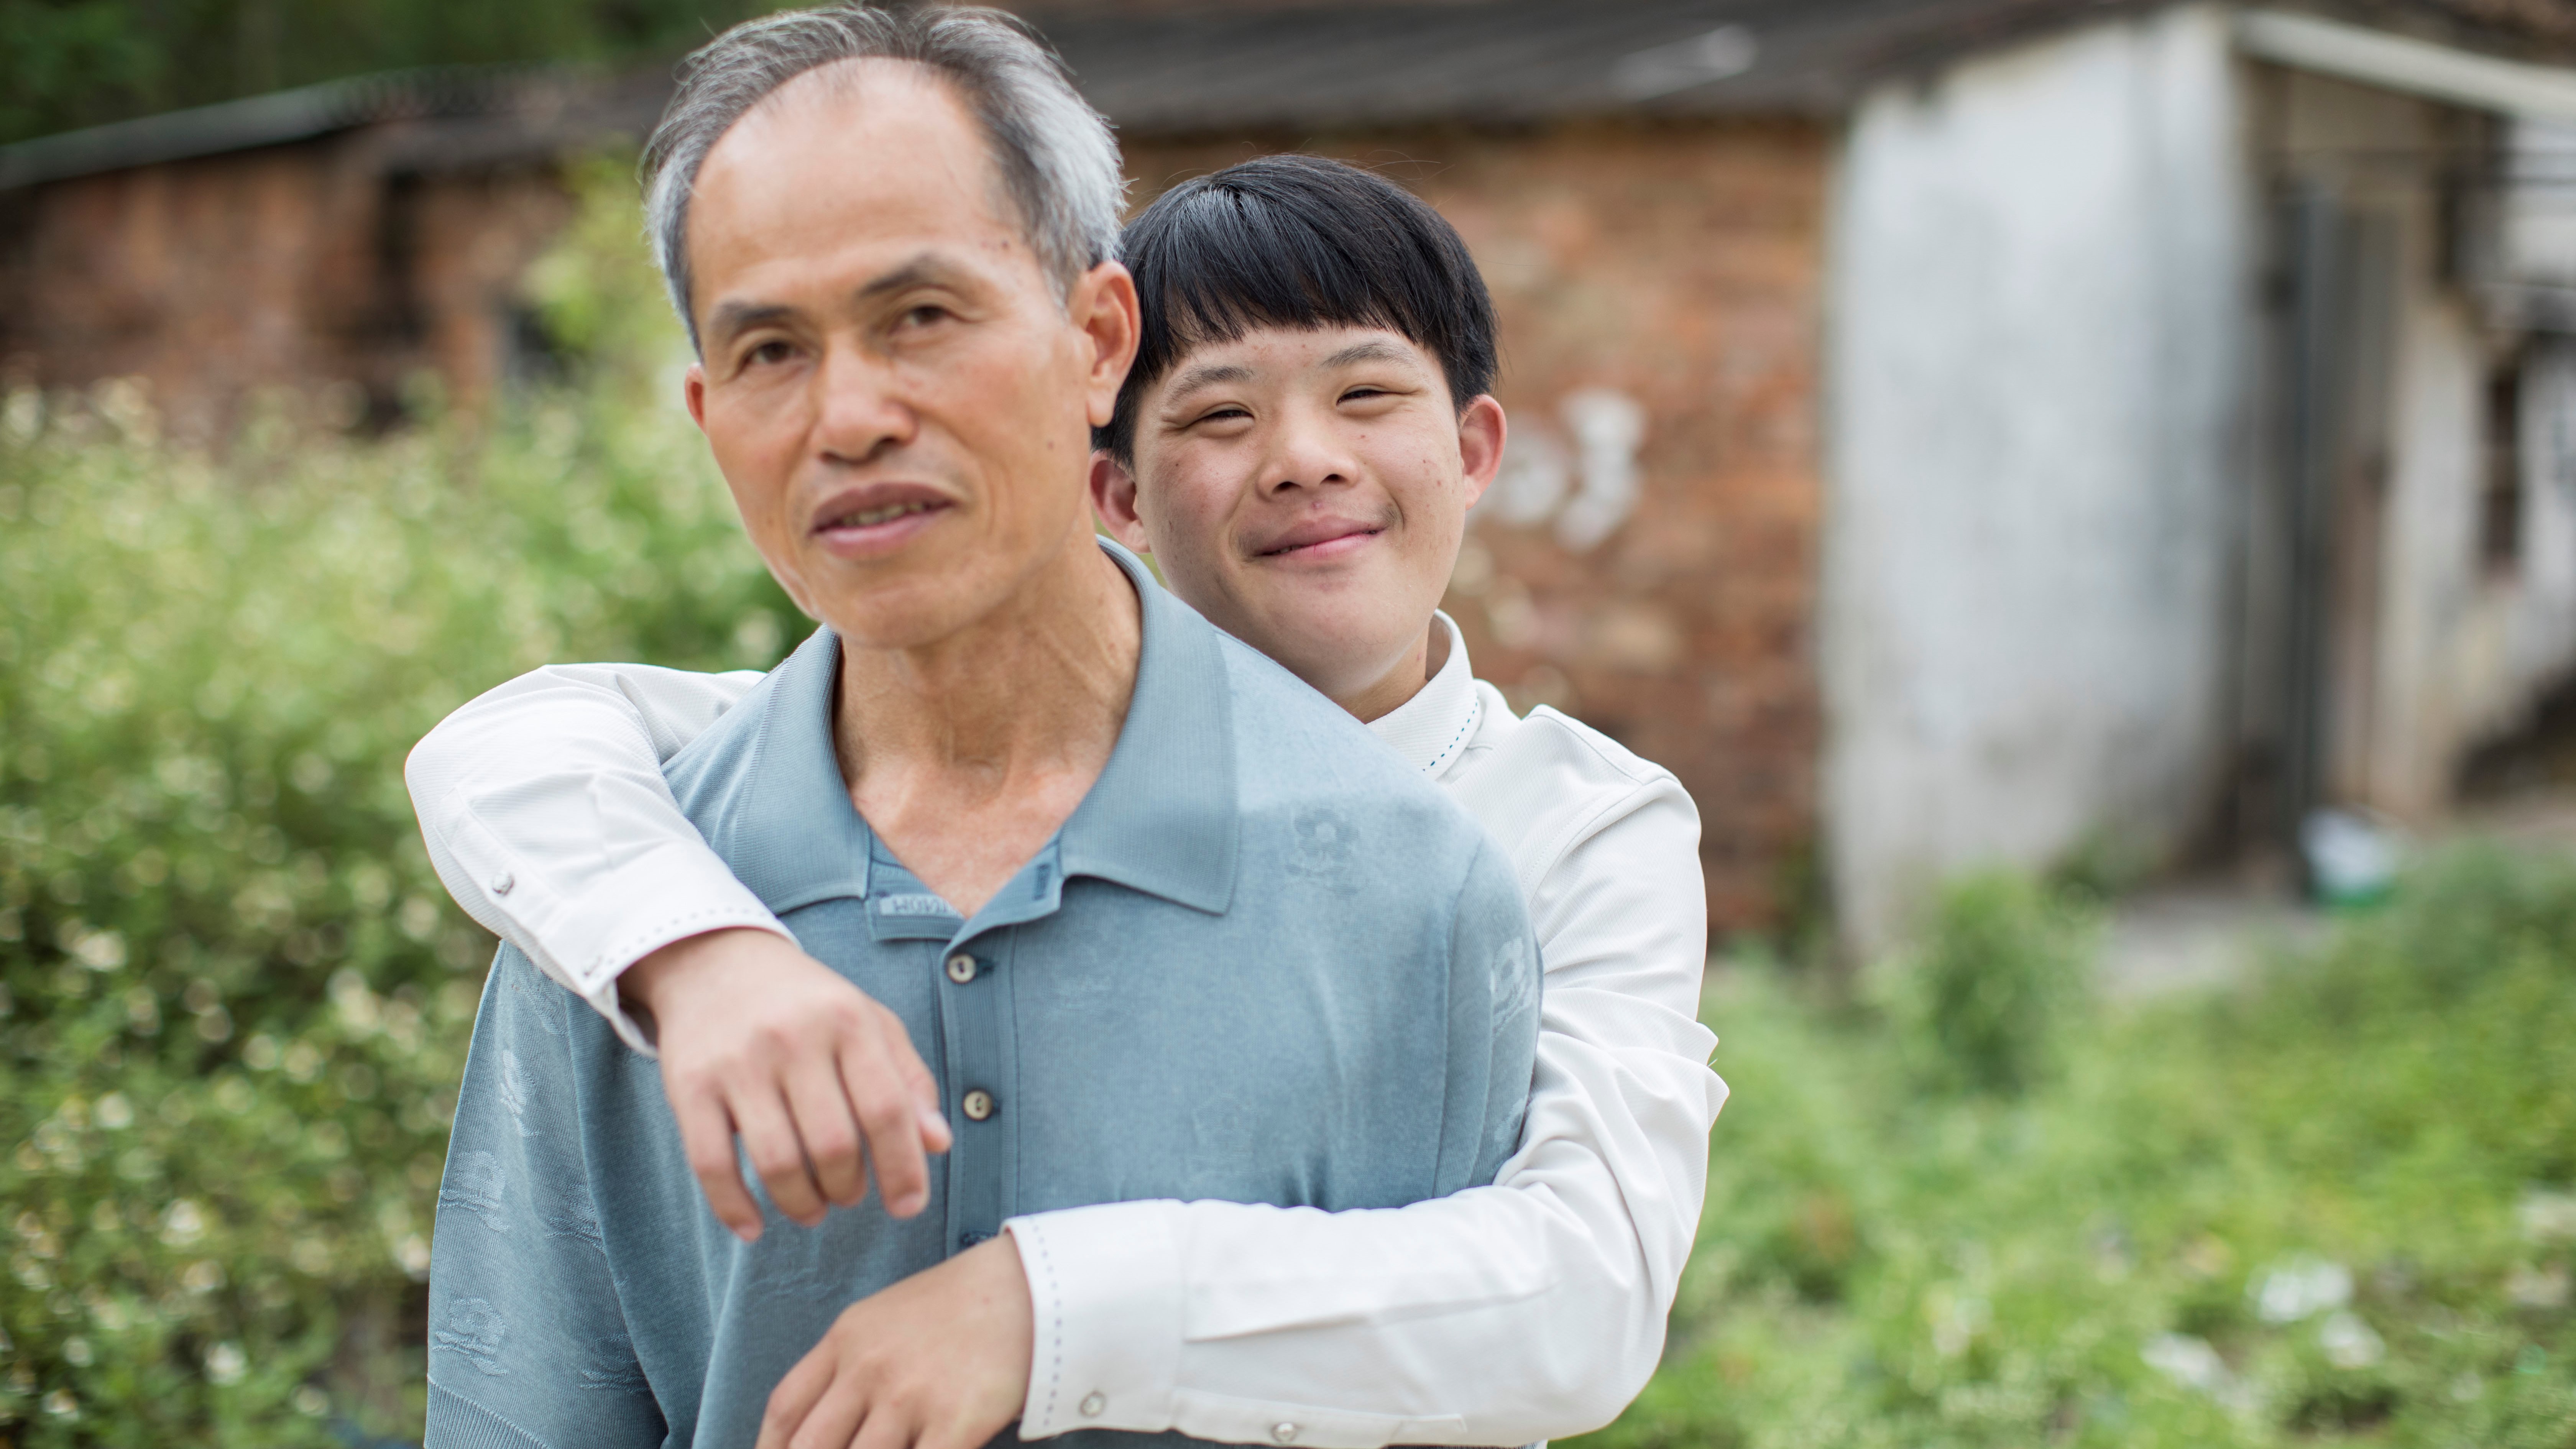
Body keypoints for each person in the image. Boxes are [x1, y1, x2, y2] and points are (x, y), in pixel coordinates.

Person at [410, 23, 1725, 1449]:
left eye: (921, 316)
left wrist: (1055, 1308)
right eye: (1220, 415)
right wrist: (694, 950)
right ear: (1123, 489)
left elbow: (1570, 1298)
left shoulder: (1490, 862)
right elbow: (534, 741)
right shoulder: (653, 880)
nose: (1303, 458)